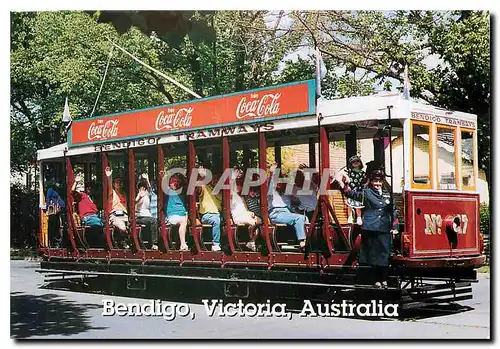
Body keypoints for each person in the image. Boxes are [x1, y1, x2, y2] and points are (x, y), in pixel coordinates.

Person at [338, 169, 398, 288]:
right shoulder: (367, 192)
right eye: (375, 181)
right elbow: (351, 194)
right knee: (373, 256)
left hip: (384, 228)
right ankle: (376, 280)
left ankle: (384, 278)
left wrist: (394, 227)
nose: (377, 184)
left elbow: (393, 211)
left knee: (384, 256)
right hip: (371, 228)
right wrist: (343, 185)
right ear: (371, 182)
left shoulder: (387, 193)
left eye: (379, 181)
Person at [267, 163, 307, 249]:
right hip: (276, 213)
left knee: (304, 218)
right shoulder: (271, 193)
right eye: (278, 182)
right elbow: (271, 185)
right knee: (298, 218)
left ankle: (299, 240)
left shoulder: (286, 195)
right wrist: (271, 173)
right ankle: (302, 242)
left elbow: (291, 206)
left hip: (286, 213)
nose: (280, 184)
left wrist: (296, 203)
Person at [230, 169, 261, 252]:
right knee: (253, 223)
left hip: (245, 215)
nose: (240, 186)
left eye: (241, 184)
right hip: (238, 216)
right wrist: (233, 178)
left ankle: (251, 242)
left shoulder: (242, 197)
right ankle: (250, 236)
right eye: (238, 184)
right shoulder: (233, 194)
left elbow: (246, 209)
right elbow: (230, 188)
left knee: (259, 222)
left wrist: (250, 212)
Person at [198, 166, 222, 252]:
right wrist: (201, 177)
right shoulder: (205, 187)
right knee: (216, 220)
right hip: (207, 216)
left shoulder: (220, 191)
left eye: (217, 179)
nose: (215, 180)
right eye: (214, 178)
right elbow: (198, 187)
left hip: (219, 215)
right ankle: (216, 244)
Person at [105, 168, 129, 245]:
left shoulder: (124, 194)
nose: (118, 183)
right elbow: (109, 188)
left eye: (120, 182)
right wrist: (109, 177)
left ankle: (123, 241)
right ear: (113, 184)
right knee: (122, 228)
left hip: (125, 216)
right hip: (115, 215)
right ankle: (124, 241)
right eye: (116, 182)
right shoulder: (112, 193)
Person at [165, 174, 189, 251]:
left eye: (177, 181)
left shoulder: (182, 191)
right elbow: (163, 184)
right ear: (169, 182)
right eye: (173, 181)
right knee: (183, 221)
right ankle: (183, 244)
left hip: (183, 214)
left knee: (189, 220)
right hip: (173, 215)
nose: (175, 183)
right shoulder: (168, 190)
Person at [135, 174, 158, 250]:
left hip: (147, 216)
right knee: (153, 221)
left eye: (144, 188)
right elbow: (134, 203)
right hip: (139, 217)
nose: (142, 189)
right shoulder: (137, 195)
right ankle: (154, 243)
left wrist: (147, 179)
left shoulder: (147, 194)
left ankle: (152, 243)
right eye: (140, 188)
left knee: (155, 221)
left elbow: (150, 188)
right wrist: (139, 197)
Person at [346, 155, 366, 225]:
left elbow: (364, 181)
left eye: (357, 161)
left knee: (358, 206)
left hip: (359, 190)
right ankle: (350, 217)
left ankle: (359, 217)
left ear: (360, 163)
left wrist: (365, 185)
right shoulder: (349, 172)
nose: (356, 163)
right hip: (351, 190)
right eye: (354, 162)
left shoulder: (362, 173)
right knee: (350, 205)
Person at [46, 180, 66, 248]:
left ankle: (56, 242)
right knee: (53, 226)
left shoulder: (58, 190)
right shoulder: (50, 189)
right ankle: (52, 242)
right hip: (53, 211)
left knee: (58, 226)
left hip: (58, 210)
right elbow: (48, 199)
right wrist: (47, 208)